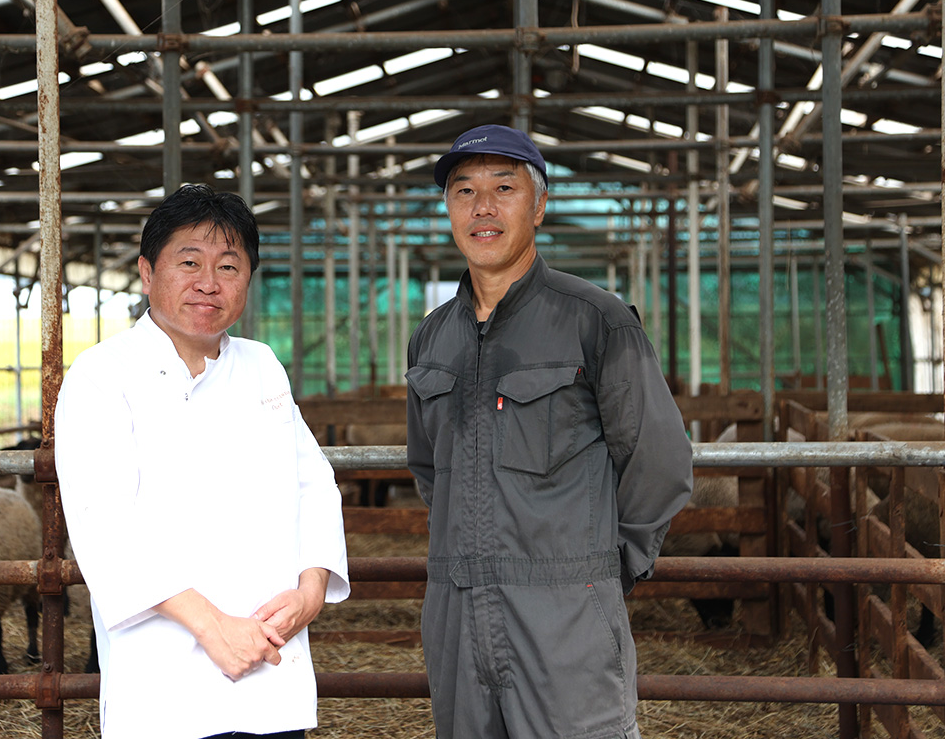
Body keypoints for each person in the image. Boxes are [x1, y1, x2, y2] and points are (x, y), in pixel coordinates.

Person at [406, 124, 693, 739]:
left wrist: (603, 574)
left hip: (567, 615)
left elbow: (659, 459)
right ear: (448, 208)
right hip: (457, 616)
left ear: (539, 204)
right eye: (463, 191)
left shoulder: (598, 320)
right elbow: (430, 469)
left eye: (503, 188)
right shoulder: (432, 338)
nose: (482, 208)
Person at [54, 183, 350, 739]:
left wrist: (310, 594)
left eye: (229, 267)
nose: (208, 284)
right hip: (169, 686)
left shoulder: (262, 366)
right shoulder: (101, 376)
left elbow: (315, 485)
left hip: (272, 674)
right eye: (189, 262)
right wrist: (214, 629)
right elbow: (103, 525)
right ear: (147, 272)